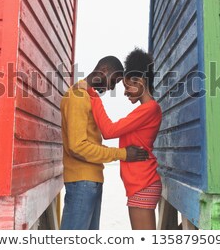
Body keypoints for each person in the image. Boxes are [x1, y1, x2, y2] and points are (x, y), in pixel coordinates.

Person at [60, 55, 149, 230]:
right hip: (81, 183)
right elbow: (77, 147)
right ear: (104, 71)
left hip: (90, 182)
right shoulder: (78, 96)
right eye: (113, 81)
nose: (110, 88)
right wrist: (123, 153)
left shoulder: (89, 97)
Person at [87, 49, 162, 230]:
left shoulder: (149, 109)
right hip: (139, 184)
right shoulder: (143, 110)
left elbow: (109, 131)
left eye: (128, 87)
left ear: (140, 81)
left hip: (142, 183)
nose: (125, 93)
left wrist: (93, 95)